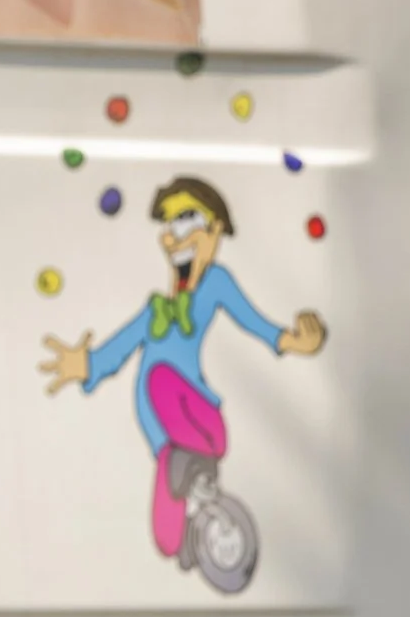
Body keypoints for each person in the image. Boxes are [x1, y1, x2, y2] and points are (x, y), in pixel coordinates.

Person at [41, 172, 327, 571]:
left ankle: (197, 462)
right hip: (167, 445)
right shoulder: (155, 312)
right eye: (168, 225)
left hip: (198, 422)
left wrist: (291, 340)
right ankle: (197, 532)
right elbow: (119, 347)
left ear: (214, 231)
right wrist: (85, 364)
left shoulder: (214, 284)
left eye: (186, 220)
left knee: (158, 376)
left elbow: (251, 319)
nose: (173, 235)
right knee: (166, 541)